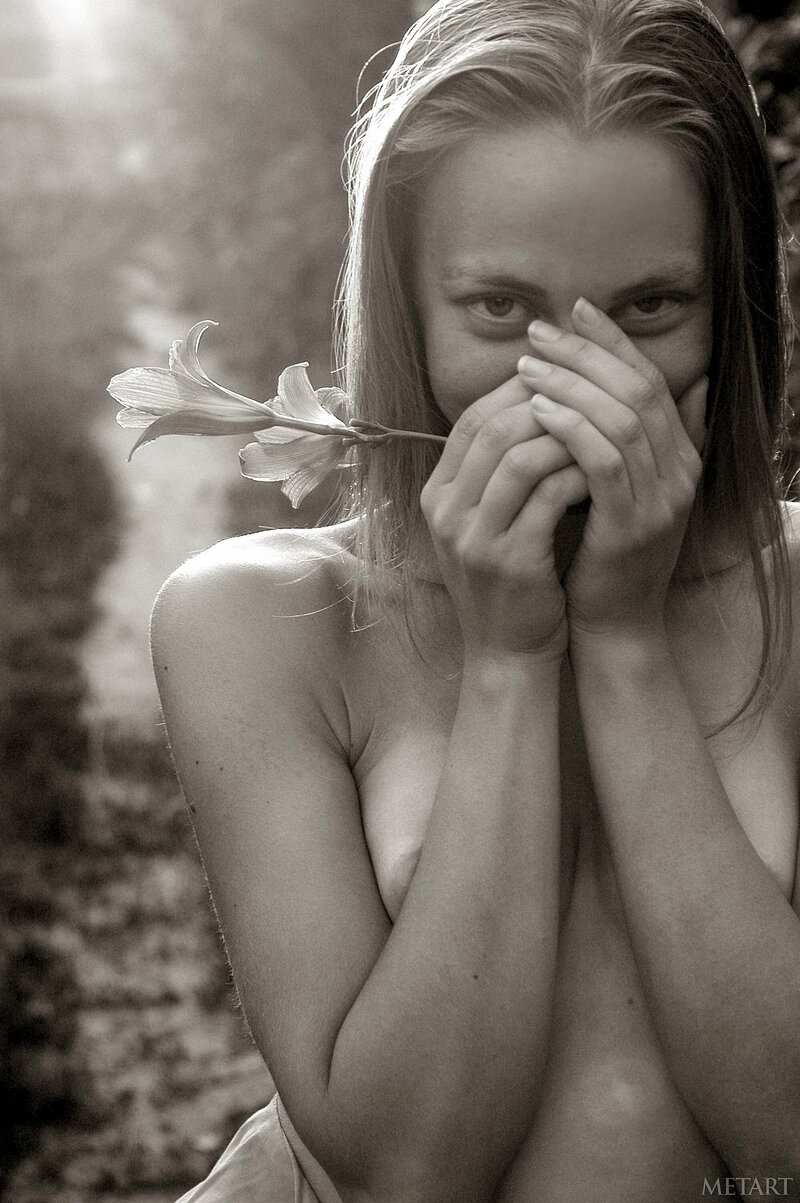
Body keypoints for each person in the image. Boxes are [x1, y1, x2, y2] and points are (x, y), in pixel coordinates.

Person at [152, 0, 800, 1199]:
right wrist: (508, 661)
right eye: (500, 308)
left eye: (649, 308)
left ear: (735, 306)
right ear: (406, 307)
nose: (573, 385)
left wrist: (622, 641)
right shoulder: (263, 622)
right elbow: (404, 1169)